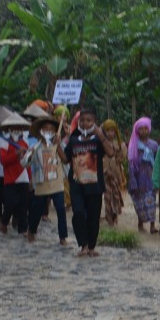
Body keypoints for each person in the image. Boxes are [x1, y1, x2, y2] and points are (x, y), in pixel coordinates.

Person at [64, 107, 115, 257]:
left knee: (93, 216)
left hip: (94, 185)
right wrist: (56, 144)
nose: (85, 123)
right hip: (76, 184)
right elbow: (65, 159)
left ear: (94, 122)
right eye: (82, 120)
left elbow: (111, 153)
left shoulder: (98, 140)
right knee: (78, 213)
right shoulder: (73, 139)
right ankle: (83, 245)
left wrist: (100, 134)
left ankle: (91, 246)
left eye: (89, 120)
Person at [25, 115, 67, 244]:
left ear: (55, 132)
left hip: (57, 183)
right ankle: (31, 231)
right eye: (45, 128)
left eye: (51, 129)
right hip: (41, 183)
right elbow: (25, 163)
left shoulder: (59, 145)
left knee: (60, 209)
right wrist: (28, 155)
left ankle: (62, 237)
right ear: (40, 131)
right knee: (36, 209)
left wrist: (58, 145)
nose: (48, 131)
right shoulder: (35, 147)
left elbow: (65, 160)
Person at [0, 113, 32, 235]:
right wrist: (16, 154)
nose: (16, 130)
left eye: (18, 128)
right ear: (8, 129)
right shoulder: (3, 143)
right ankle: (4, 222)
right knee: (9, 203)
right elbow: (3, 160)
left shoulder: (25, 143)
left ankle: (23, 229)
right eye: (13, 128)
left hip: (23, 177)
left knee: (23, 204)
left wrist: (30, 178)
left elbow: (28, 163)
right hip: (8, 177)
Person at [127, 117, 158, 232]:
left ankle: (152, 226)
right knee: (140, 202)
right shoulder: (133, 145)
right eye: (141, 129)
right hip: (139, 177)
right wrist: (133, 181)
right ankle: (140, 224)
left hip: (151, 177)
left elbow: (157, 161)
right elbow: (131, 164)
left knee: (152, 201)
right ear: (137, 131)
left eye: (146, 128)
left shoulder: (154, 145)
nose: (144, 131)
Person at [101, 119, 127, 226]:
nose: (110, 133)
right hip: (105, 175)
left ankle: (114, 215)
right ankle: (109, 218)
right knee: (107, 197)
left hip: (116, 175)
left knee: (116, 196)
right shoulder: (101, 144)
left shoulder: (120, 145)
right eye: (107, 131)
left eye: (112, 131)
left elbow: (121, 157)